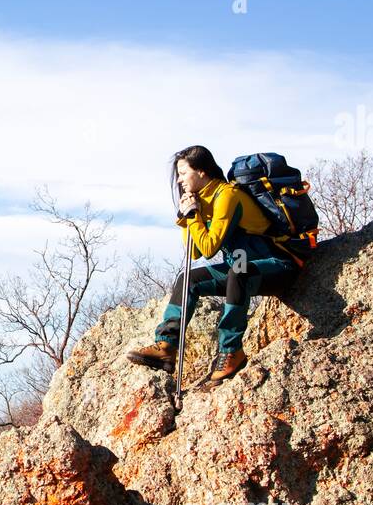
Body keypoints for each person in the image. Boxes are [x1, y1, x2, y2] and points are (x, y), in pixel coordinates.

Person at [126, 145, 299, 382]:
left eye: (183, 173)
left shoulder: (227, 196)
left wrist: (194, 217)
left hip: (278, 266)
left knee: (239, 272)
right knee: (188, 279)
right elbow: (194, 251)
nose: (179, 180)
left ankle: (231, 352)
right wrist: (187, 217)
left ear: (202, 172)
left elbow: (209, 247)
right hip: (243, 266)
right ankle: (166, 346)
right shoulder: (204, 200)